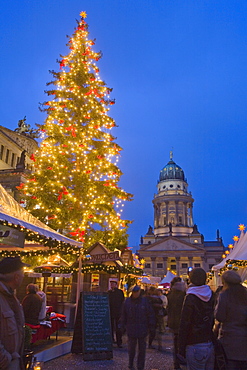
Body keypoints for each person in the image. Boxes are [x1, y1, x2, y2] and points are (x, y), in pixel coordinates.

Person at [178, 267, 215, 369]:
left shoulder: (190, 297)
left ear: (191, 279)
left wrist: (180, 348)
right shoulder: (212, 295)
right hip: (209, 342)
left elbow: (184, 323)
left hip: (194, 343)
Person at [0, 256, 29, 369]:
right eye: (23, 274)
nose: (23, 277)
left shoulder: (10, 296)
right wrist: (5, 359)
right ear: (16, 277)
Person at [215, 270, 247, 369]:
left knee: (231, 364)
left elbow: (220, 316)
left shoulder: (224, 295)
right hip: (245, 336)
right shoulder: (245, 294)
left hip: (230, 337)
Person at [120, 285, 155, 370]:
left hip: (142, 328)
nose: (136, 294)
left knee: (141, 350)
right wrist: (122, 325)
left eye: (137, 292)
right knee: (132, 349)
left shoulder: (144, 301)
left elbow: (150, 314)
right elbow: (124, 314)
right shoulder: (128, 302)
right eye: (135, 292)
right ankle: (131, 363)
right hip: (132, 328)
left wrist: (151, 326)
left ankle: (140, 366)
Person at [167, 277, 186, 370]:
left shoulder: (170, 294)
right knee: (182, 342)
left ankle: (176, 363)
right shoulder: (183, 294)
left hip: (173, 322)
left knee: (175, 343)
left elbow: (168, 309)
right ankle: (182, 359)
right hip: (182, 322)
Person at [108, 280, 124, 348]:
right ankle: (111, 340)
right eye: (111, 284)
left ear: (116, 285)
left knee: (118, 327)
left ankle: (119, 341)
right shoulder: (109, 293)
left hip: (118, 312)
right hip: (111, 312)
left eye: (113, 284)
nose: (112, 285)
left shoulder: (119, 292)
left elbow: (122, 301)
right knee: (110, 327)